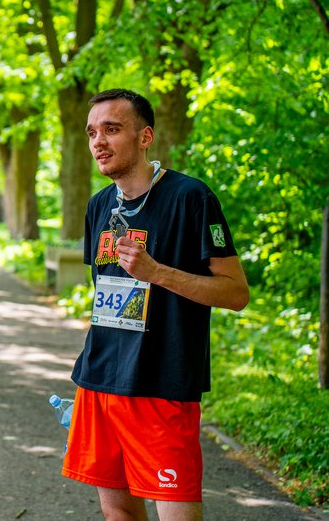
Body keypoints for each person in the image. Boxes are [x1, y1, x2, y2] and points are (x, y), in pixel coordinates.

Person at [62, 88, 249, 521]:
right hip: (100, 382)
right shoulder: (99, 206)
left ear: (145, 136)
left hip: (162, 385)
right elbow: (106, 296)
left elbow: (236, 293)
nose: (98, 142)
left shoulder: (190, 197)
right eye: (92, 133)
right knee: (119, 514)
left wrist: (158, 272)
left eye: (112, 129)